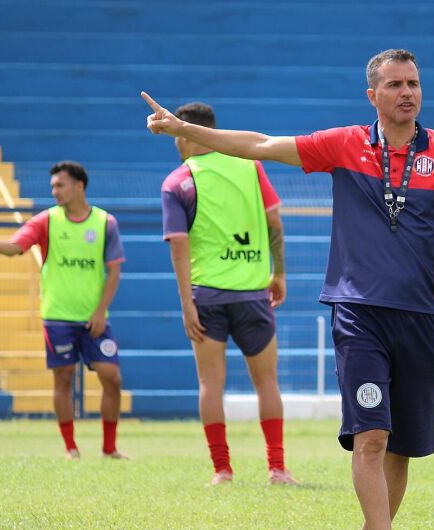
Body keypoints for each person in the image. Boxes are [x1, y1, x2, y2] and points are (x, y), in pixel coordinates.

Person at [142, 48, 434, 528]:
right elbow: (260, 144)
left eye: (413, 84)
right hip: (359, 312)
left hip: (421, 317)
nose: (407, 93)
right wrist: (185, 129)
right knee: (371, 437)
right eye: (395, 85)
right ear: (373, 95)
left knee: (401, 450)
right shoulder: (344, 144)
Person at [160, 102, 297, 486]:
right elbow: (274, 221)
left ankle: (222, 470)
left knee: (209, 384)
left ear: (185, 134)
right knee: (267, 382)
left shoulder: (177, 182)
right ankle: (277, 468)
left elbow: (179, 246)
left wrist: (186, 302)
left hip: (206, 296)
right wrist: (279, 273)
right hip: (253, 293)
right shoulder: (250, 165)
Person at [0, 161, 128, 460]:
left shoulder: (105, 223)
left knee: (112, 378)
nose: (54, 191)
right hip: (57, 316)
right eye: (52, 186)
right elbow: (14, 247)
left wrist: (100, 311)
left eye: (60, 185)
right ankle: (70, 448)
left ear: (79, 186)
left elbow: (114, 272)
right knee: (63, 378)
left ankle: (109, 448)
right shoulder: (46, 221)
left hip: (94, 317)